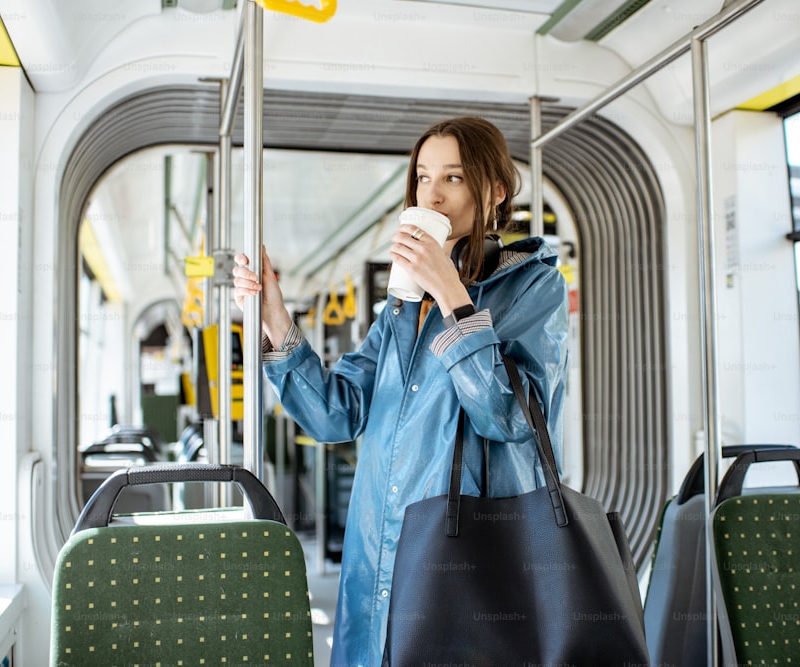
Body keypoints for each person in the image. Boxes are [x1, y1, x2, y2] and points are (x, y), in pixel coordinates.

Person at [232, 116, 569, 667]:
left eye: (454, 179)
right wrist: (274, 314)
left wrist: (455, 298)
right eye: (421, 177)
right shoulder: (401, 307)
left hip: (464, 555)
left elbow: (513, 420)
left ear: (496, 191)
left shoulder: (534, 286)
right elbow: (336, 415)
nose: (431, 195)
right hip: (375, 551)